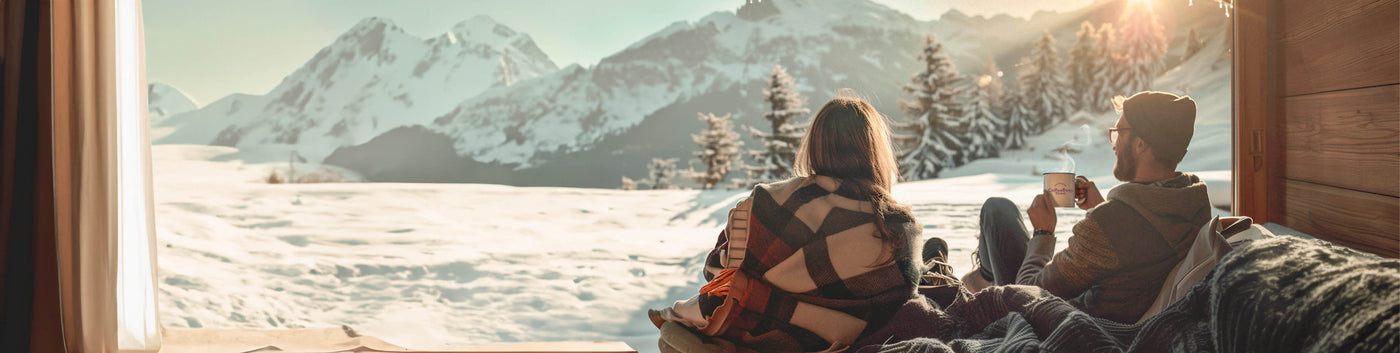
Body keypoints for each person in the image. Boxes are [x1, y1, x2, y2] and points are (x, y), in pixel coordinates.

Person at [648, 95, 929, 352]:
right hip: (842, 341)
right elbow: (899, 299)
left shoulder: (769, 201)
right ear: (875, 151)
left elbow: (717, 272)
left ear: (815, 146)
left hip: (758, 331)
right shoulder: (898, 225)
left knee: (677, 330)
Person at [961, 91, 1212, 324]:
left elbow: (1029, 289)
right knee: (999, 212)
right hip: (1122, 307)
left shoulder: (1110, 223)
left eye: (1119, 132)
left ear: (1141, 144)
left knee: (997, 211)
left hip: (1056, 320)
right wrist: (1103, 207)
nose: (1113, 143)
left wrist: (1043, 233)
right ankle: (985, 277)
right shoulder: (1192, 200)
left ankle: (983, 279)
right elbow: (1136, 243)